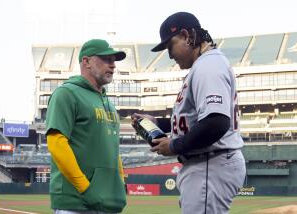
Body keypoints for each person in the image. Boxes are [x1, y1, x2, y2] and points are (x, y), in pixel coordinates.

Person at [132, 12, 246, 214]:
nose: (169, 54)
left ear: (186, 36)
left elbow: (216, 122)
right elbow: (195, 119)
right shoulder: (204, 65)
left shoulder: (208, 66)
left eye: (170, 46)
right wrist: (157, 122)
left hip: (210, 163)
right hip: (207, 163)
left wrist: (174, 145)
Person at [46, 39, 127, 214]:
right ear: (86, 61)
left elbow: (113, 150)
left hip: (106, 202)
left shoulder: (109, 103)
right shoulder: (66, 93)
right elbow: (56, 143)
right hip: (75, 203)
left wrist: (120, 183)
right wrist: (85, 188)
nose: (113, 65)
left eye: (114, 60)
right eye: (106, 59)